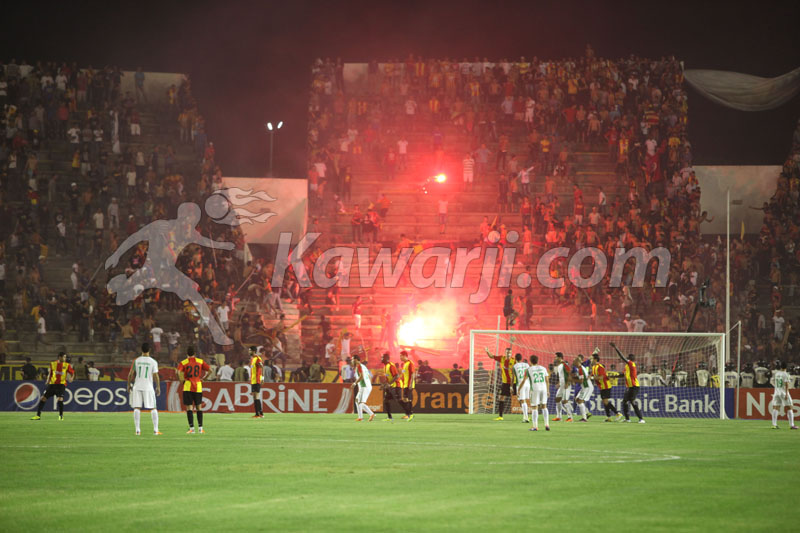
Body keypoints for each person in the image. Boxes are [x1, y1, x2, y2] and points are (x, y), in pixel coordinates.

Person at [127, 343, 161, 436]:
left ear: (141, 350)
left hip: (137, 386)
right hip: (148, 387)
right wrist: (158, 386)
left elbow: (130, 374)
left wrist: (128, 385)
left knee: (137, 408)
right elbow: (156, 375)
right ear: (149, 350)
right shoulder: (153, 362)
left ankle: (137, 430)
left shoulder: (136, 360)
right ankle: (155, 430)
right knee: (153, 408)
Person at [177, 346, 211, 434]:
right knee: (199, 407)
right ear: (194, 354)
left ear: (187, 354)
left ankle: (192, 429)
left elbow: (178, 372)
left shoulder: (184, 362)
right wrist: (204, 378)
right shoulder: (200, 361)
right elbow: (210, 370)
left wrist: (181, 381)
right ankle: (200, 428)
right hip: (198, 386)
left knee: (189, 408)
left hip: (188, 386)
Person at [31, 351, 74, 420]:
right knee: (43, 398)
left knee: (60, 399)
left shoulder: (67, 365)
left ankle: (61, 416)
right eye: (64, 357)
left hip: (61, 385)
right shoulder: (53, 364)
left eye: (65, 357)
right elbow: (50, 373)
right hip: (52, 384)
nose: (65, 358)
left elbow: (72, 372)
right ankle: (38, 416)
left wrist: (72, 378)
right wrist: (48, 380)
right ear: (60, 357)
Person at [610, 343, 645, 423]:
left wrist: (616, 348)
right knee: (625, 402)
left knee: (632, 401)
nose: (627, 359)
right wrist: (613, 377)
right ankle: (627, 419)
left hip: (634, 386)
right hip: (629, 387)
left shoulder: (631, 363)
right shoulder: (627, 367)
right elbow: (623, 375)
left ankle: (641, 419)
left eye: (628, 358)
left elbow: (622, 357)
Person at [519, 355, 550, 431]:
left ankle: (535, 426)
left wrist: (519, 389)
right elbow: (547, 380)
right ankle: (547, 424)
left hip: (535, 389)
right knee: (544, 406)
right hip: (544, 389)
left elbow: (523, 380)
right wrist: (548, 390)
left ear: (530, 361)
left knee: (534, 407)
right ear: (537, 360)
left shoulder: (528, 370)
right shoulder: (543, 368)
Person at [591, 350, 623, 422]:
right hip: (602, 386)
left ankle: (617, 413)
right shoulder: (594, 367)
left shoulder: (600, 367)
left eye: (592, 359)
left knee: (605, 402)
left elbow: (601, 377)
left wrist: (593, 378)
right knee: (604, 402)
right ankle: (609, 417)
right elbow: (592, 375)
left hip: (606, 386)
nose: (591, 360)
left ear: (595, 359)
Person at [485, 346, 514, 420]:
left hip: (513, 382)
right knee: (501, 397)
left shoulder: (514, 361)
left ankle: (527, 416)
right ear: (505, 353)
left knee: (520, 398)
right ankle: (500, 416)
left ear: (511, 353)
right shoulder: (502, 358)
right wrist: (487, 351)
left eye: (510, 352)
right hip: (505, 383)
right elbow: (492, 356)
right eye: (507, 352)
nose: (508, 354)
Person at [381, 352, 408, 421]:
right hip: (391, 386)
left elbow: (396, 376)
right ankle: (390, 417)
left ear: (386, 359)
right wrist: (384, 385)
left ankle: (408, 413)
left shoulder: (391, 365)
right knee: (386, 400)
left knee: (399, 400)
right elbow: (388, 378)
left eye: (382, 357)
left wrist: (389, 384)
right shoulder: (385, 367)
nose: (381, 359)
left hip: (397, 385)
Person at [769, 360, 797, 429]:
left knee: (776, 407)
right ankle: (792, 425)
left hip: (776, 392)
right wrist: (787, 393)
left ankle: (774, 424)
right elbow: (787, 384)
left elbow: (771, 381)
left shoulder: (777, 373)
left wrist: (776, 387)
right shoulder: (786, 374)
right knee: (789, 407)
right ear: (786, 367)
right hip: (783, 392)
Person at [351, 354, 375, 421]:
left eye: (352, 359)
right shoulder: (363, 366)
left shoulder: (359, 366)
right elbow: (369, 376)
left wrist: (354, 383)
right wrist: (369, 384)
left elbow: (361, 376)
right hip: (365, 386)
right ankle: (366, 415)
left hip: (364, 386)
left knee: (360, 402)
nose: (352, 361)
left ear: (356, 360)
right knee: (357, 400)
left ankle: (364, 416)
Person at [552, 353, 574, 422]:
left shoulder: (564, 364)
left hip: (566, 385)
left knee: (564, 401)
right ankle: (559, 416)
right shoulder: (559, 366)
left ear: (560, 357)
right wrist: (559, 382)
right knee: (557, 399)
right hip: (562, 385)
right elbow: (561, 376)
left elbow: (569, 373)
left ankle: (570, 417)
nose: (555, 358)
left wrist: (567, 383)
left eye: (556, 357)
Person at [573, 355, 593, 422]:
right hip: (584, 387)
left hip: (587, 387)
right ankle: (587, 413)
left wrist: (573, 380)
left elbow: (581, 381)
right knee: (577, 399)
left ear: (577, 362)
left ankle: (584, 418)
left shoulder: (581, 369)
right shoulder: (580, 368)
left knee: (580, 401)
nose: (573, 363)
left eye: (574, 362)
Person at [512, 353, 530, 423]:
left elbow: (513, 378)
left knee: (523, 400)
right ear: (521, 358)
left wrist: (511, 386)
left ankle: (526, 417)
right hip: (527, 384)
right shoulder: (527, 365)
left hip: (520, 384)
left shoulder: (514, 366)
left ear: (515, 358)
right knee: (521, 400)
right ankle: (525, 416)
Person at [399, 350, 416, 420]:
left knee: (407, 399)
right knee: (406, 399)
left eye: (401, 356)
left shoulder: (410, 363)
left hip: (409, 384)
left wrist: (411, 383)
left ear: (404, 356)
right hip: (405, 384)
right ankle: (409, 414)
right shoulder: (404, 364)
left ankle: (409, 414)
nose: (400, 358)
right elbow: (404, 374)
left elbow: (413, 374)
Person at [249, 346, 264, 418]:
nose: (249, 352)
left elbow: (261, 367)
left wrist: (262, 378)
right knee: (255, 397)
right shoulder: (252, 359)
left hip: (257, 380)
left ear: (253, 351)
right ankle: (259, 413)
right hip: (253, 381)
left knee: (256, 396)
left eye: (250, 350)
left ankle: (259, 414)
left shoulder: (258, 358)